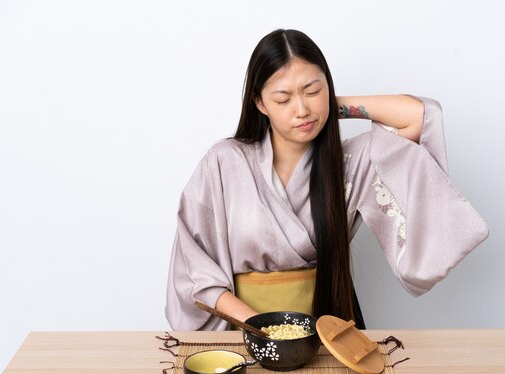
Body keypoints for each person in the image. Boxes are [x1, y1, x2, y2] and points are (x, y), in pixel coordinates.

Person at [166, 29, 488, 331]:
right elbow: (196, 267)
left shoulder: (348, 163)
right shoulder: (225, 162)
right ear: (259, 103)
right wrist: (264, 328)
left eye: (313, 91)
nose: (301, 109)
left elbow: (421, 116)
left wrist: (332, 107)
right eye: (283, 99)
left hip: (327, 331)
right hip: (244, 330)